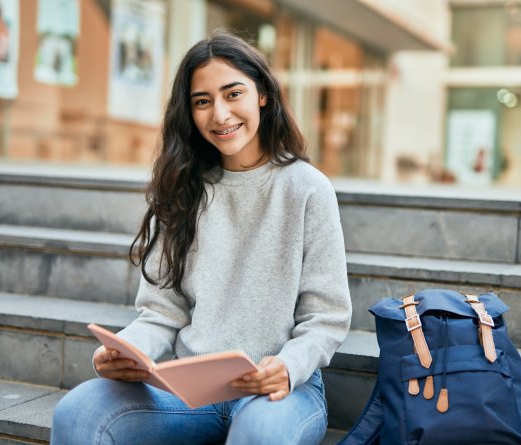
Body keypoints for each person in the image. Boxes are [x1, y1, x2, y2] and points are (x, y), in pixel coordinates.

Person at [51, 31, 352, 445]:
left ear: (262, 93)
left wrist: (286, 367)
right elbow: (161, 313)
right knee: (79, 412)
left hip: (281, 390)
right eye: (203, 101)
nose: (220, 114)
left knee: (258, 433)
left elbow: (326, 318)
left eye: (233, 94)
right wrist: (125, 351)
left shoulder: (307, 189)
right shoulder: (184, 189)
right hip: (189, 393)